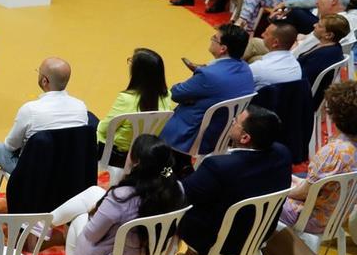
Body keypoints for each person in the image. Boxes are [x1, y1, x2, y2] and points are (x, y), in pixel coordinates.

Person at [50, 135, 186, 255]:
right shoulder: (177, 189)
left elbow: (91, 235)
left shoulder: (122, 197)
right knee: (94, 192)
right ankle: (46, 223)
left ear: (136, 162)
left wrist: (92, 212)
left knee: (79, 219)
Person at [177, 105, 292, 255]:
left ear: (245, 137)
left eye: (236, 121)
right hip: (261, 233)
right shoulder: (283, 153)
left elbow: (181, 192)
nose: (232, 121)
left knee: (174, 206)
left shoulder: (219, 166)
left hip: (223, 242)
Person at [160, 24, 256, 161]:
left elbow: (176, 93)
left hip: (194, 135)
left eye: (215, 38)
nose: (211, 39)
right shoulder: (246, 69)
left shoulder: (208, 75)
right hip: (223, 131)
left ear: (223, 48)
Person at [0, 57, 88, 174]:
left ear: (45, 81)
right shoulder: (81, 107)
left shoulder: (30, 110)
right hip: (67, 171)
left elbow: (10, 146)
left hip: (32, 175)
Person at [280, 80, 357, 232]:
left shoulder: (333, 152)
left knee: (257, 193)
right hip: (338, 215)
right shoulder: (344, 150)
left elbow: (304, 193)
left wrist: (281, 190)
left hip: (310, 218)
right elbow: (321, 185)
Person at [98, 49, 174, 167]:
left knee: (88, 118)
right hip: (144, 152)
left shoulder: (126, 99)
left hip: (117, 155)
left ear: (139, 71)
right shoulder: (167, 95)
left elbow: (104, 130)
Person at [248, 22, 302, 90]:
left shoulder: (260, 67)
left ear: (275, 43)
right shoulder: (297, 67)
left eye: (266, 34)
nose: (262, 35)